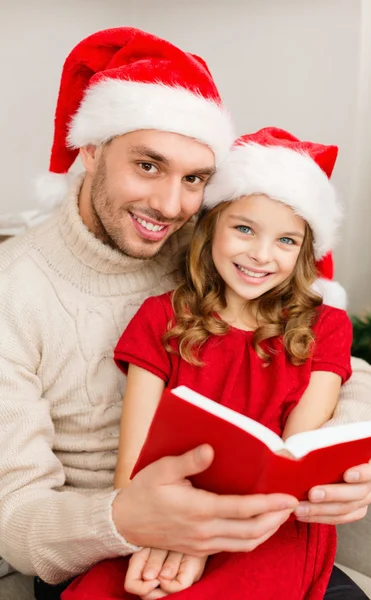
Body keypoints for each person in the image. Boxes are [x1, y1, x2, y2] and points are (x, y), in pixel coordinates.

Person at [0, 26, 371, 600]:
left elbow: (338, 360)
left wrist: (342, 451)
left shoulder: (211, 252)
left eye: (194, 180)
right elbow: (17, 517)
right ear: (89, 149)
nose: (169, 206)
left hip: (256, 524)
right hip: (110, 547)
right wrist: (134, 522)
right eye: (148, 166)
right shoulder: (14, 291)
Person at [60, 127, 355, 600]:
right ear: (210, 227)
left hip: (268, 525)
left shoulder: (327, 327)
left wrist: (203, 545)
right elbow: (131, 474)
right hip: (164, 516)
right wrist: (171, 540)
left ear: (304, 251)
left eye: (286, 240)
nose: (261, 255)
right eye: (244, 229)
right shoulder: (161, 316)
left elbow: (291, 470)